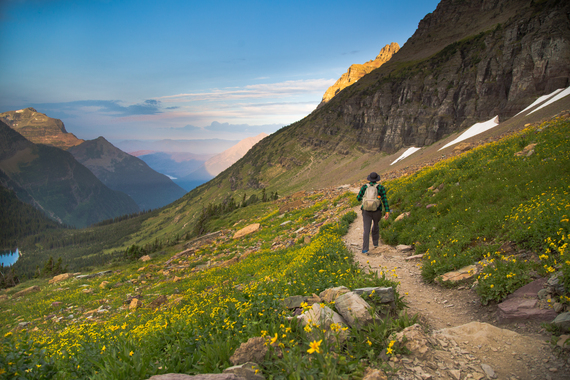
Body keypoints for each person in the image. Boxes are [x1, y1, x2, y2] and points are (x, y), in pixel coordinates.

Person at [356, 172, 390, 254]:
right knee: (376, 225)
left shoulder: (364, 187)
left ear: (369, 179)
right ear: (377, 179)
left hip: (366, 211)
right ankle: (375, 244)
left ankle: (365, 249)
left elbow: (358, 198)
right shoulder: (380, 187)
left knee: (366, 229)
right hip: (377, 210)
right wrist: (387, 211)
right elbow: (384, 199)